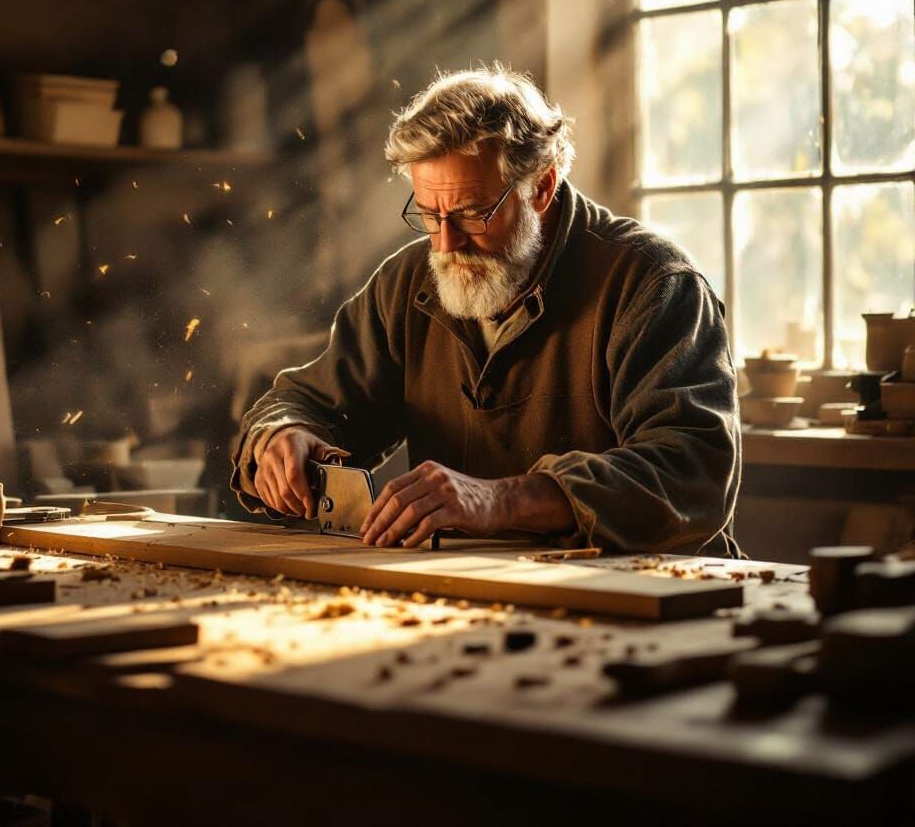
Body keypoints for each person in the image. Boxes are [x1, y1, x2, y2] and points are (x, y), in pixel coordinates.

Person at [230, 67, 741, 556]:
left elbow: (692, 469)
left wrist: (501, 499)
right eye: (430, 214)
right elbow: (309, 403)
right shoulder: (408, 282)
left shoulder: (653, 282)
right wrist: (280, 435)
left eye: (473, 213)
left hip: (651, 594)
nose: (447, 243)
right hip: (476, 588)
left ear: (541, 187)